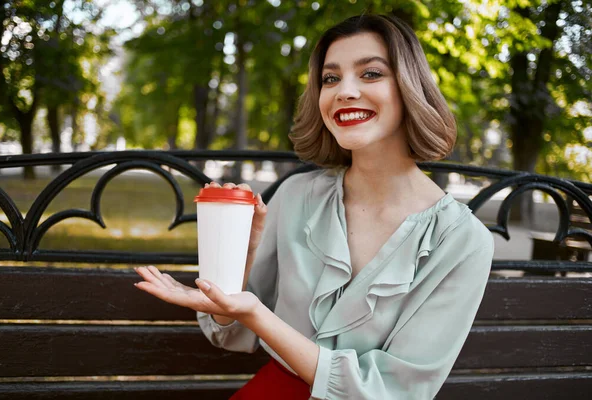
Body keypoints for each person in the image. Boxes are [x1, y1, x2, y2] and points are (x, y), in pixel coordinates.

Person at [134, 14, 494, 400]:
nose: (344, 91)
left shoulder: (462, 240)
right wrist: (244, 254)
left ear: (410, 87)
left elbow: (393, 392)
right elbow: (229, 330)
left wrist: (256, 314)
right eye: (330, 78)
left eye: (371, 74)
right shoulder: (296, 195)